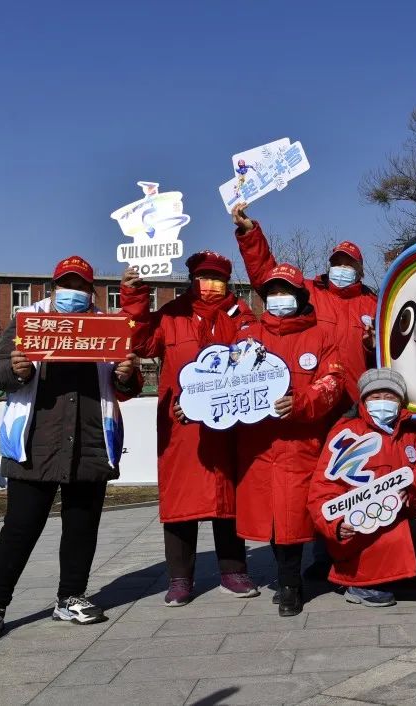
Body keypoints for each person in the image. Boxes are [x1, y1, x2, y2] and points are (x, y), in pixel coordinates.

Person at [0, 256, 142, 642]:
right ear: (53, 288)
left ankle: (71, 597)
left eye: (80, 286)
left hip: (90, 443)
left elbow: (127, 386)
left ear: (91, 291)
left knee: (81, 527)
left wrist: (127, 375)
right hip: (35, 444)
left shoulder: (109, 327)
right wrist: (15, 370)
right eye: (66, 284)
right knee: (20, 528)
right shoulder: (27, 320)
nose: (72, 292)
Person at [120, 251, 258, 607]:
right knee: (180, 501)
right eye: (203, 277)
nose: (210, 284)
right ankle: (180, 578)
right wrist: (134, 297)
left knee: (229, 497)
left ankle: (233, 571)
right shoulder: (173, 313)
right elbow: (141, 342)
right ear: (191, 280)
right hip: (181, 426)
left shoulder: (242, 314)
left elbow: (255, 359)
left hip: (228, 424)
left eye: (218, 278)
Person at [233, 263, 347, 617]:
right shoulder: (248, 338)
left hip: (300, 443)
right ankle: (287, 578)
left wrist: (300, 403)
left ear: (299, 296)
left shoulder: (322, 336)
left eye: (285, 291)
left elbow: (332, 384)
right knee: (271, 517)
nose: (278, 298)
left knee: (292, 517)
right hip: (257, 445)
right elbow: (226, 382)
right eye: (272, 292)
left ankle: (290, 585)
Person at [307, 369, 416, 607]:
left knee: (415, 556)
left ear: (400, 402)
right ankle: (360, 585)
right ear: (363, 400)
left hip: (395, 519)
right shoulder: (347, 433)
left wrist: (412, 487)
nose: (383, 402)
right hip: (358, 527)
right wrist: (336, 524)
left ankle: (386, 581)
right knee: (391, 543)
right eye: (375, 396)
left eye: (390, 397)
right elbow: (324, 486)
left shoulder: (409, 434)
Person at [233, 203, 376, 401]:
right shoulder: (310, 292)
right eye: (336, 263)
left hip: (354, 399)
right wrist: (250, 235)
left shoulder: (374, 305)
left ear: (360, 270)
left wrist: (371, 347)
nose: (341, 268)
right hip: (311, 397)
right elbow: (268, 275)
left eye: (348, 264)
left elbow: (388, 354)